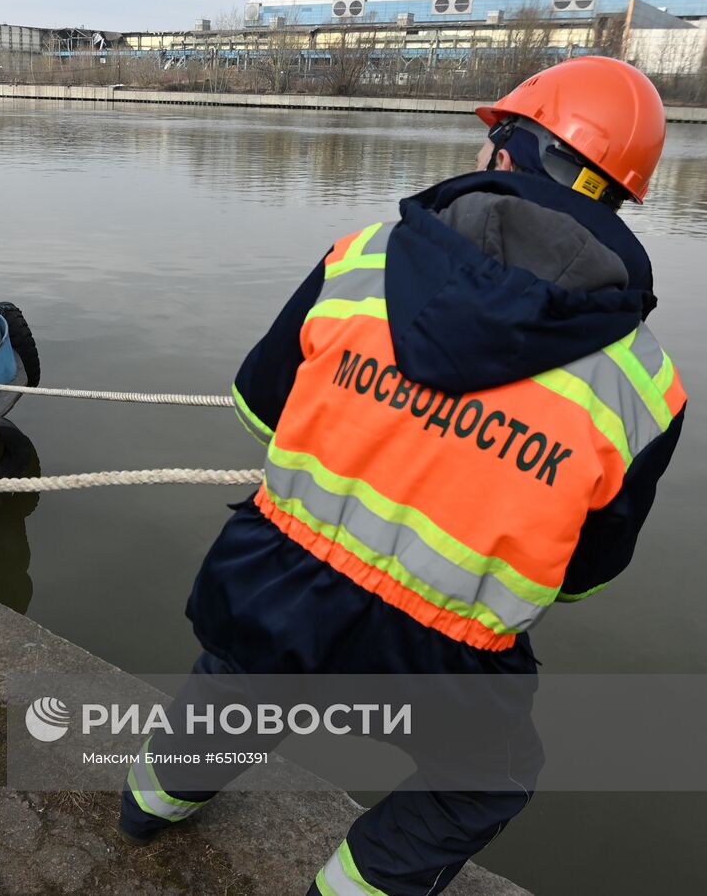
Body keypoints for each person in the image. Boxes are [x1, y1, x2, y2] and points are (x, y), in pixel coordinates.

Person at [117, 56, 686, 895]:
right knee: (485, 776)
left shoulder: (360, 260)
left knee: (243, 681)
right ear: (617, 194)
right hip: (443, 647)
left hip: (284, 574)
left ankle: (147, 813)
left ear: (513, 152)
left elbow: (258, 410)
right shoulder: (645, 385)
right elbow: (582, 579)